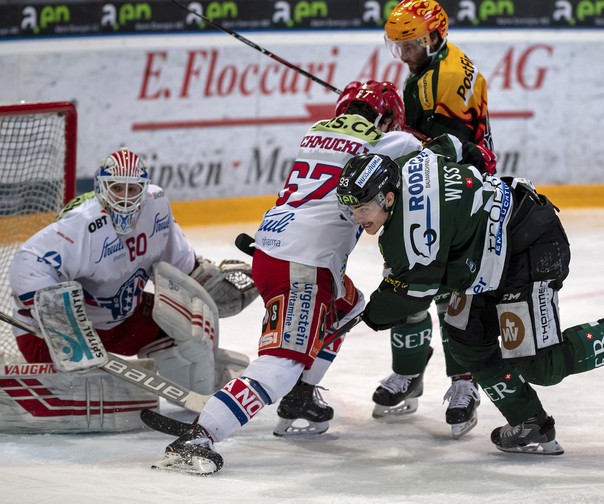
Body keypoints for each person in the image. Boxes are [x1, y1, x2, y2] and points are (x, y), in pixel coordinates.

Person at [151, 81, 425, 474]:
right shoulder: (390, 142)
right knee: (280, 365)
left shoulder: (314, 132)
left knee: (349, 305)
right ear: (385, 118)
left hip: (271, 250)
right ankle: (199, 436)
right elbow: (423, 152)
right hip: (303, 267)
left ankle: (301, 396)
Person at [335, 137, 604, 455]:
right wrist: (473, 156)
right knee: (466, 336)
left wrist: (361, 315)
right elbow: (451, 144)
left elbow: (410, 296)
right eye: (351, 209)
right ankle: (528, 422)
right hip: (491, 249)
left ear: (388, 199)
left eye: (362, 209)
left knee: (541, 365)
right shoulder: (407, 163)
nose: (357, 218)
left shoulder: (409, 238)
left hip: (529, 247)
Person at [5, 147, 253, 433]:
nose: (124, 197)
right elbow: (29, 260)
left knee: (191, 332)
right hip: (54, 337)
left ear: (145, 188)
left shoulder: (156, 206)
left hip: (123, 321)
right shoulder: (82, 224)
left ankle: (202, 380)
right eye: (116, 188)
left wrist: (208, 284)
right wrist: (61, 323)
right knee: (95, 401)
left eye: (132, 188)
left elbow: (180, 263)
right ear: (101, 188)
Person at [375, 0, 495, 439]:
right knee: (407, 283)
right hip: (436, 184)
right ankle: (409, 373)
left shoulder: (440, 80)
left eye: (412, 44)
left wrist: (395, 135)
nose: (404, 54)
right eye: (399, 45)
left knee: (450, 293)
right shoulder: (441, 63)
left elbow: (449, 148)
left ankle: (463, 385)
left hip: (454, 192)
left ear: (435, 36)